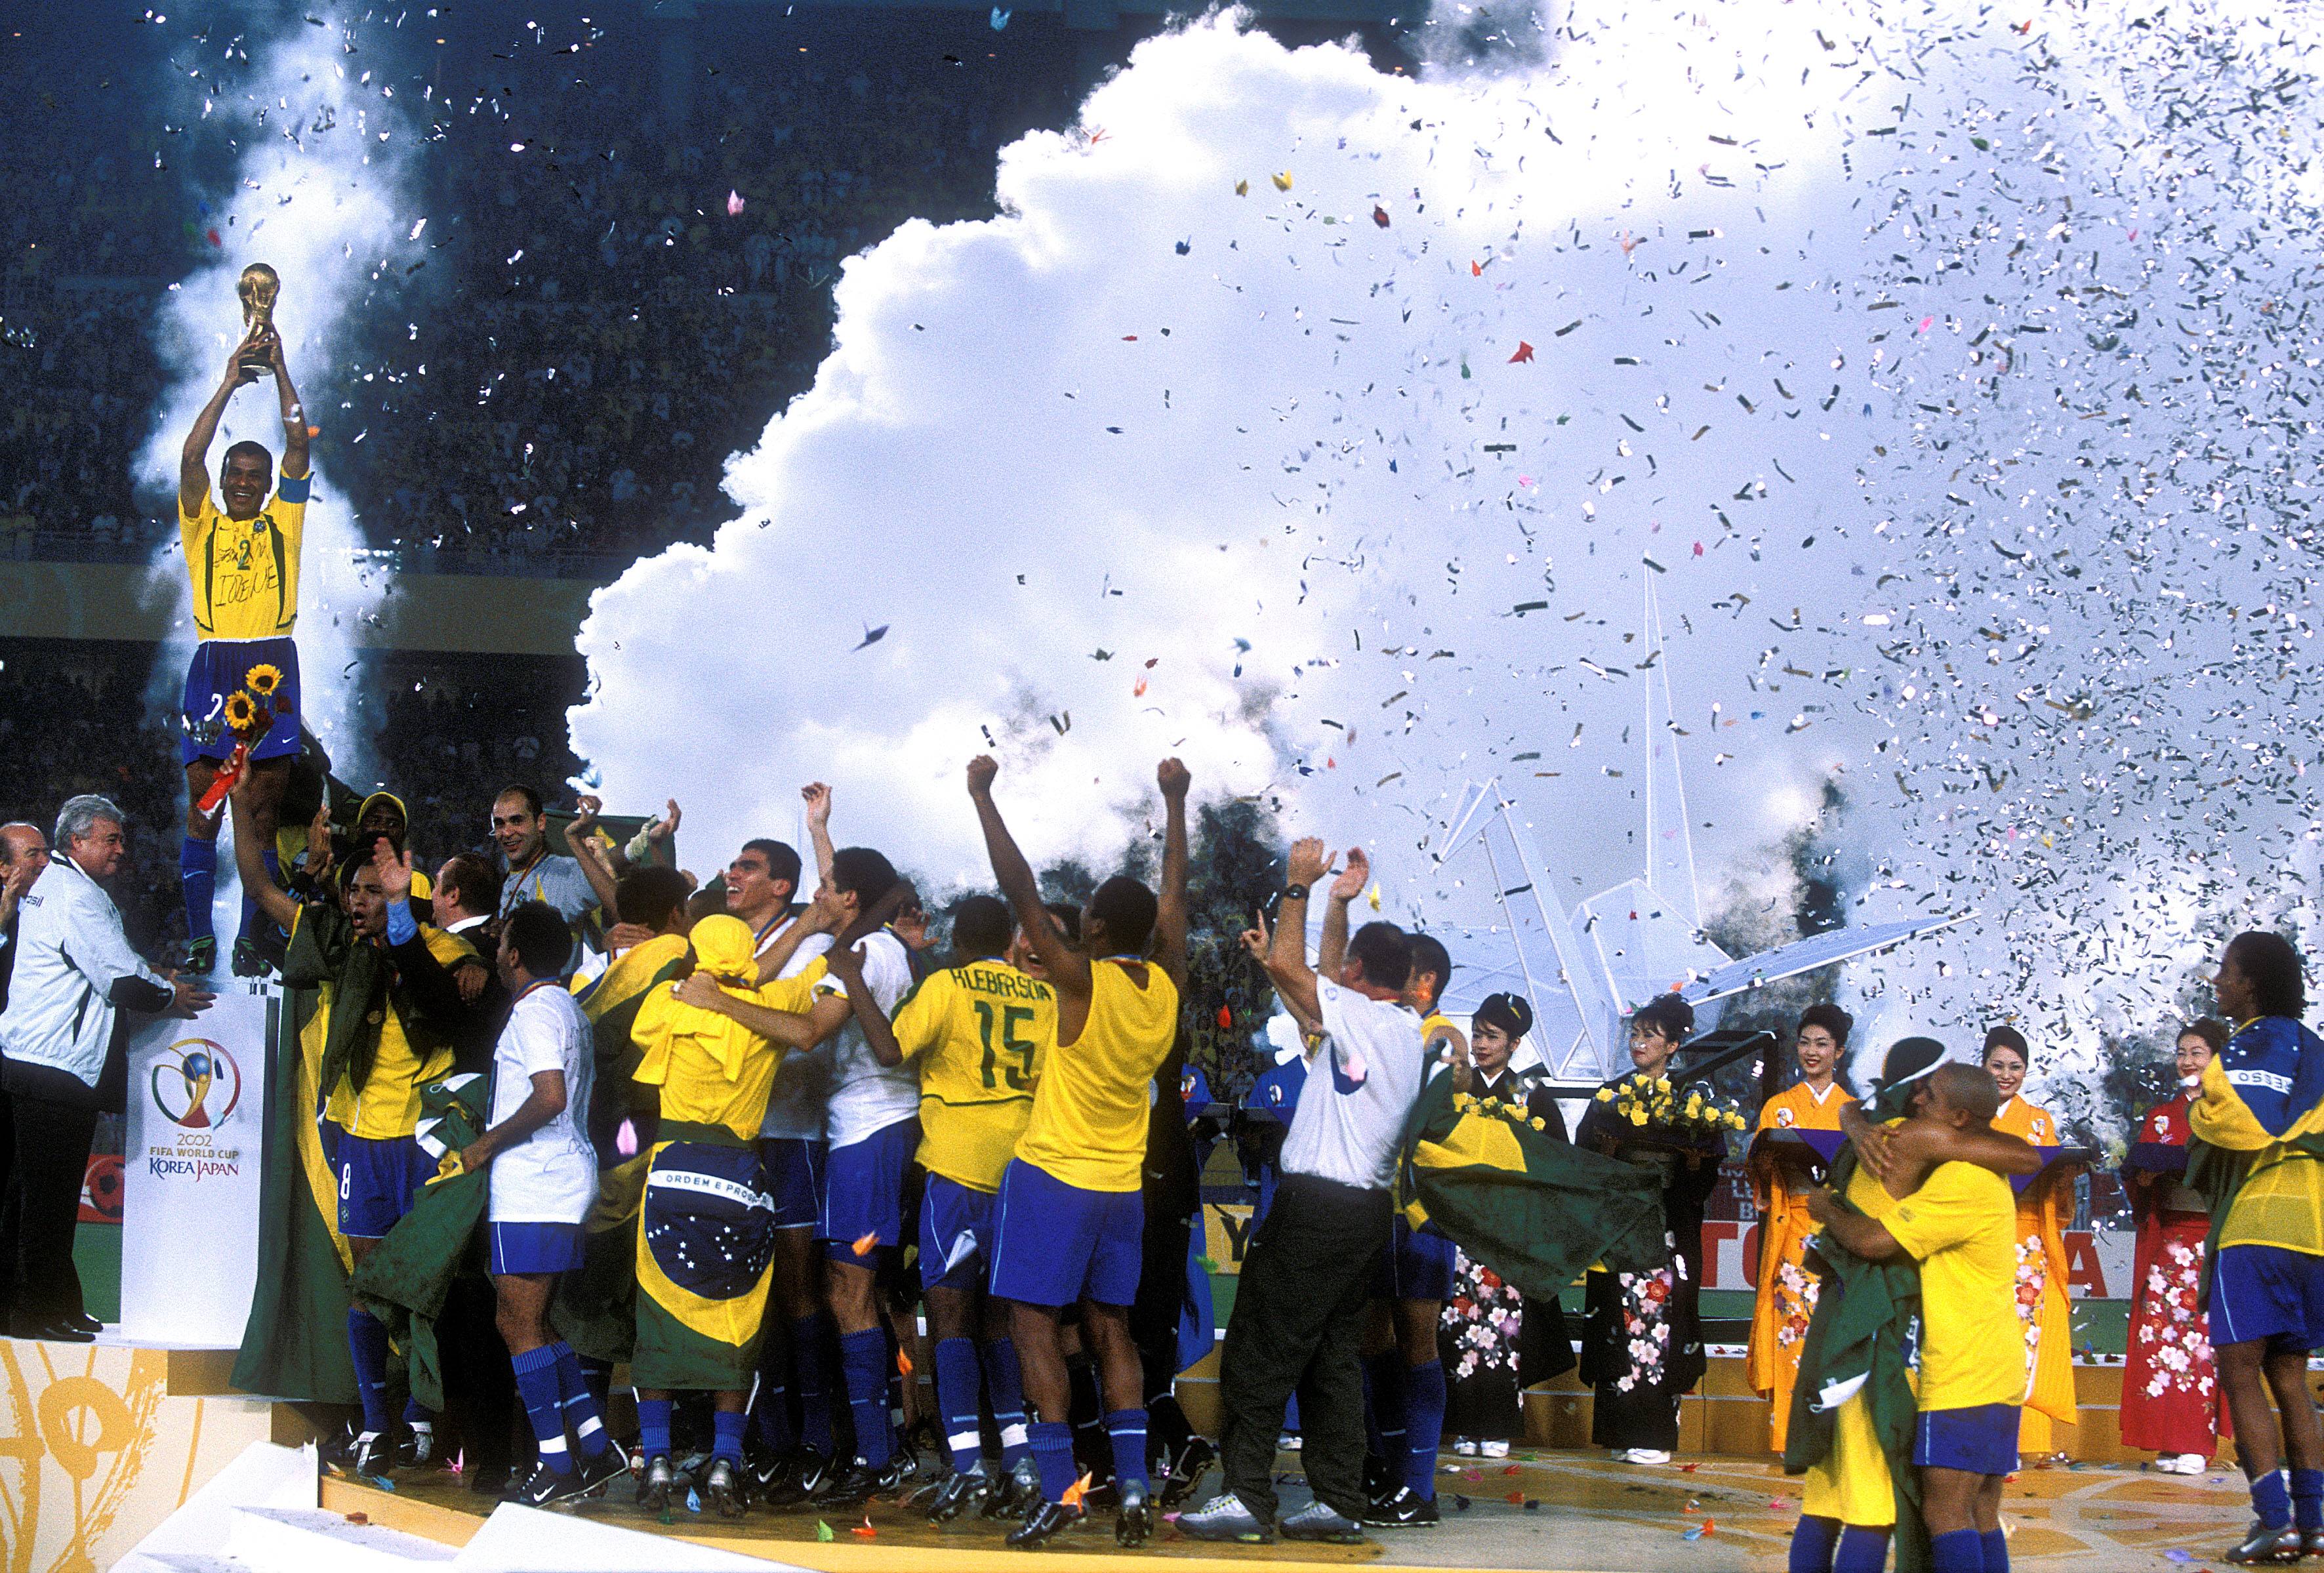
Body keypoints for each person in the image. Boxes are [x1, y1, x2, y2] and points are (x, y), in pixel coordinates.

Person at [972, 754, 1190, 1549]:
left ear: (1094, 929)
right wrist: (1175, 802)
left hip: (1053, 1176)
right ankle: (1132, 1486)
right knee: (1113, 1333)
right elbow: (1175, 900)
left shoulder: (1078, 982)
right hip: (1120, 1188)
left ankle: (1064, 1491)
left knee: (1033, 1328)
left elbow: (1020, 889)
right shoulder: (1165, 985)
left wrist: (982, 797)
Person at [230, 786, 478, 1473]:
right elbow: (256, 884)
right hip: (365, 1144)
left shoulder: (449, 958)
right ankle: (376, 1424)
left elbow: (463, 994)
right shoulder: (339, 948)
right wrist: (234, 797)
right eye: (359, 889)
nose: (363, 899)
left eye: (381, 889)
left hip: (425, 1144)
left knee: (427, 1288)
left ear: (413, 899)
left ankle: (426, 1419)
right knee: (368, 1284)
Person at [1182, 838, 1420, 1548]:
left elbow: (1298, 971)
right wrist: (1339, 905)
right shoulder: (1400, 1030)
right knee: (1330, 1356)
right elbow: (1304, 982)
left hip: (1317, 1209)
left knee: (1260, 1346)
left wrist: (1298, 888)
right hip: (1364, 1212)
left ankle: (1248, 1496)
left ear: (1354, 975)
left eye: (1340, 968)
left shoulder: (1363, 1018)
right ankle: (1338, 1498)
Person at [832, 891, 1052, 1521]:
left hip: (957, 1166)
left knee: (950, 1315)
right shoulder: (1044, 994)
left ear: (958, 941)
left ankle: (965, 1467)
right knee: (1003, 1321)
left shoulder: (948, 985)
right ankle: (1019, 1462)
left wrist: (853, 981)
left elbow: (889, 1050)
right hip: (1024, 1168)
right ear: (1011, 941)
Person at [1785, 1036, 2042, 1573]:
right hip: (1877, 1334)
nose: (1924, 1098)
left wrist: (1823, 1202)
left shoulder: (1879, 1139)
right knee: (1890, 1506)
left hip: (1851, 1328)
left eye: (1934, 1092)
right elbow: (2019, 1154)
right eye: (1923, 1088)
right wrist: (1854, 1121)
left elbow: (1870, 1233)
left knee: (1838, 1503)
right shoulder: (1909, 1140)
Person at [626, 914, 835, 1517]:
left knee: (661, 1315)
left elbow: (651, 1027)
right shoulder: (769, 1006)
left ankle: (659, 1457)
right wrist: (815, 928)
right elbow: (814, 974)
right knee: (735, 1324)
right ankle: (725, 1462)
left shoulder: (669, 1005)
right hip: (739, 1177)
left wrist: (708, 986)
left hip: (670, 1173)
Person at [0, 796, 210, 1340]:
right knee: (46, 1199)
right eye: (110, 839)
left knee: (32, 1195)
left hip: (35, 1060)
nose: (121, 849)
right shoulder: (74, 895)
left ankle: (42, 1302)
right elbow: (119, 982)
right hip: (55, 1065)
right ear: (77, 843)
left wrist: (154, 973)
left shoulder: (63, 887)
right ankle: (37, 1313)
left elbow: (114, 962)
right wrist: (171, 996)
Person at [453, 900, 622, 1506]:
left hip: (536, 1181)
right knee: (539, 1322)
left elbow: (548, 1096)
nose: (495, 954)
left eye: (500, 945)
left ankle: (557, 1464)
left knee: (515, 1322)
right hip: (559, 1177)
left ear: (515, 955)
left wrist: (484, 1146)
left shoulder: (533, 1012)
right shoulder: (567, 1007)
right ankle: (597, 1448)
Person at [176, 331, 312, 978]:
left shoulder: (282, 522)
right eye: (236, 473)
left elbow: (299, 444)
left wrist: (281, 368)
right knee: (205, 805)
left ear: (264, 489)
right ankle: (200, 935)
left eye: (253, 478)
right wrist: (231, 379)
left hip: (272, 665)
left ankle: (252, 935)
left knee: (261, 814)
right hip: (214, 663)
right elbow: (192, 453)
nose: (242, 482)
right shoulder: (201, 519)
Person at [2188, 932, 2324, 1564]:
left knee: (2239, 1372)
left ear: (2249, 983)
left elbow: (2230, 1119)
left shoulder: (2247, 1045)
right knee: (2291, 1379)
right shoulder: (2317, 1049)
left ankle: (2272, 1521)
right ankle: (2314, 1523)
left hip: (2257, 1225)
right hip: (2315, 1231)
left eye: (2225, 972)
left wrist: (2196, 1106)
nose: (2217, 982)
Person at [1575, 992, 1723, 1465]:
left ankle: (1655, 1433)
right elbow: (1584, 1161)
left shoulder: (1693, 1100)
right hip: (1619, 1231)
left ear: (1674, 1046)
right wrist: (1610, 1153)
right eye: (1635, 1034)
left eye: (1650, 1036)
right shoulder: (1609, 1097)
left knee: (1661, 1327)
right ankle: (1619, 1431)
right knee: (1617, 1324)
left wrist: (1695, 1162)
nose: (1638, 1044)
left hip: (1666, 1230)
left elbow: (1706, 1177)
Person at [1435, 992, 1570, 1473]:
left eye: (1491, 1036)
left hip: (1510, 1228)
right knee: (1461, 1323)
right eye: (1476, 1034)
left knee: (1503, 1329)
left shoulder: (1533, 1093)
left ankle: (1496, 1427)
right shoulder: (1456, 1086)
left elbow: (1556, 1162)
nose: (1480, 1043)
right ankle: (1463, 1424)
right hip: (1460, 1223)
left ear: (1515, 1043)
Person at [2119, 1017, 2230, 1475]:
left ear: (2215, 1061)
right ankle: (2166, 1441)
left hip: (2206, 1241)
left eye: (2197, 1053)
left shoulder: (2228, 1112)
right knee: (2159, 1339)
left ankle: (2195, 1444)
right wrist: (2142, 1178)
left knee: (2199, 1345)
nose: (2187, 1061)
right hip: (2167, 1243)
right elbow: (2138, 1178)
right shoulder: (2160, 1117)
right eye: (2182, 1053)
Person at [1747, 1003, 1856, 1453]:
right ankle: (1791, 1436)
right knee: (1793, 1329)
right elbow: (1759, 1170)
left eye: (1822, 1044)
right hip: (1794, 1228)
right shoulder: (1779, 1107)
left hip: (1840, 1232)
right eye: (1805, 1042)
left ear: (1839, 1053)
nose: (1812, 1052)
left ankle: (1839, 1438)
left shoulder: (1854, 1112)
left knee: (1837, 1333)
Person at [1982, 1025, 2078, 1459]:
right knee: (1980, 1335)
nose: (2005, 1075)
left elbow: (2054, 1194)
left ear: (2026, 1071)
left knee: (2024, 1337)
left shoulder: (2039, 1121)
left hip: (2025, 1241)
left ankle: (2022, 1442)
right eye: (1997, 1065)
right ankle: (1978, 1439)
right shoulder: (1966, 1117)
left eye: (2014, 1067)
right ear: (1982, 1066)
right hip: (1979, 1236)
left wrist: (2062, 1175)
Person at [0, 820, 47, 1328]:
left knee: (22, 1185)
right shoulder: (12, 913)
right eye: (32, 854)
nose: (43, 861)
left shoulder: (49, 906)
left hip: (23, 1064)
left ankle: (14, 1299)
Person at [490, 786, 600, 975]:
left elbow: (610, 869)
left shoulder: (564, 872)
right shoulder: (496, 881)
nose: (507, 832)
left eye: (516, 821)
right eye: (500, 824)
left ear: (540, 823)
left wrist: (634, 850)